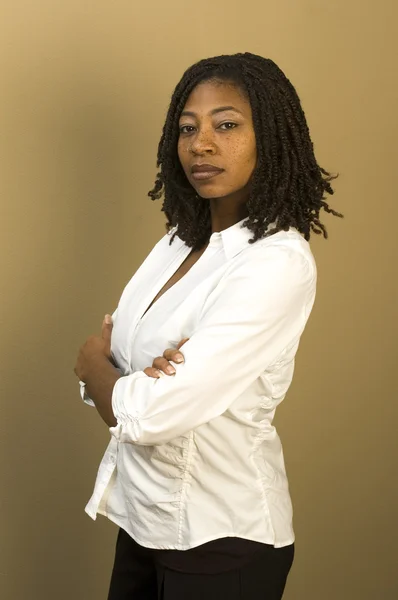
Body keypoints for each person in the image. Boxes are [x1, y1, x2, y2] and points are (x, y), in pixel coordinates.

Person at [75, 52, 342, 600]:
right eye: (188, 129)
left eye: (227, 125)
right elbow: (121, 364)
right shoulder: (177, 242)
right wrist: (124, 377)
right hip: (140, 523)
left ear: (268, 137)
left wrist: (91, 365)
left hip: (222, 541)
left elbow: (147, 412)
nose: (201, 144)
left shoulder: (276, 263)